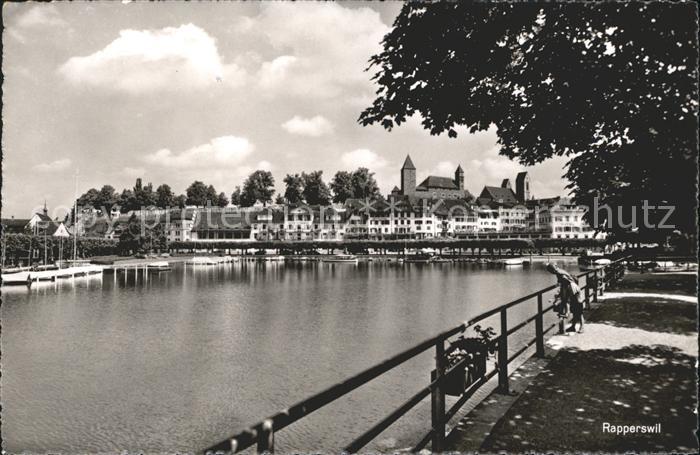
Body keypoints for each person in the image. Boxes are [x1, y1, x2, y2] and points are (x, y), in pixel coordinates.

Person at [546, 263, 584, 333]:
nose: (551, 272)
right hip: (571, 289)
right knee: (575, 308)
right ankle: (573, 326)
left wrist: (562, 294)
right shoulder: (559, 271)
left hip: (572, 289)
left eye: (550, 271)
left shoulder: (559, 273)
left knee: (578, 308)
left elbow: (565, 282)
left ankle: (582, 327)